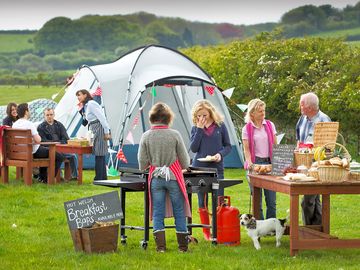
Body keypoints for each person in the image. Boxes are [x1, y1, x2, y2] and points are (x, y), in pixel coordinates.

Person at [138, 102, 191, 252]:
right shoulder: (175, 134)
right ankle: (182, 247)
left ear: (152, 118)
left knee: (158, 212)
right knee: (179, 211)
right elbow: (185, 161)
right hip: (173, 177)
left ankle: (160, 247)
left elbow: (142, 163)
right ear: (168, 118)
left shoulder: (146, 136)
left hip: (155, 178)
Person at [190, 99, 231, 240]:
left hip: (217, 168)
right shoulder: (195, 128)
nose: (202, 118)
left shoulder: (220, 126)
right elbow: (194, 148)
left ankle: (218, 230)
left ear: (211, 114)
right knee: (202, 201)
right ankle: (206, 232)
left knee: (219, 199)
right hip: (199, 169)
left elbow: (228, 146)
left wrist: (220, 155)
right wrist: (200, 129)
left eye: (204, 115)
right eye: (199, 116)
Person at [296, 92, 331, 225]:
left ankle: (308, 230)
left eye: (302, 104)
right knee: (314, 200)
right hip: (304, 166)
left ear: (309, 107)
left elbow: (329, 148)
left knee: (307, 201)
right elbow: (299, 140)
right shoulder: (302, 119)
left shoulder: (324, 120)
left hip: (318, 167)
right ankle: (318, 230)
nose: (300, 106)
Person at [242, 99, 277, 220]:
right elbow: (246, 149)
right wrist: (250, 163)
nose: (263, 113)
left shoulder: (270, 125)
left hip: (269, 162)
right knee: (257, 200)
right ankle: (260, 227)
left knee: (271, 200)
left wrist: (277, 162)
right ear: (252, 113)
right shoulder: (246, 128)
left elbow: (275, 145)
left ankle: (271, 226)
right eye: (260, 111)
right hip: (255, 163)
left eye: (264, 110)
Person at [12, 103, 64, 183]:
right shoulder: (29, 124)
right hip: (32, 151)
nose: (29, 112)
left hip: (20, 152)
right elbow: (38, 140)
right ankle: (48, 179)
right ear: (26, 112)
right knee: (59, 156)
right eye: (28, 110)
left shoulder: (14, 125)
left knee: (45, 152)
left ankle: (42, 178)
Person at [76, 89, 111, 181]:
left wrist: (107, 131)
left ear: (85, 95)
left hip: (99, 128)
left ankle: (99, 178)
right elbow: (86, 121)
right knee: (99, 154)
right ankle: (102, 177)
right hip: (94, 128)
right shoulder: (86, 106)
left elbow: (102, 117)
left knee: (99, 154)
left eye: (79, 95)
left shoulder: (92, 104)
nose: (78, 98)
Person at [37, 108, 78, 180]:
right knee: (59, 157)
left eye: (51, 114)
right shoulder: (41, 127)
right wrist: (54, 144)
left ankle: (74, 177)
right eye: (47, 115)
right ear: (44, 116)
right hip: (49, 150)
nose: (49, 116)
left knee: (73, 156)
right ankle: (55, 177)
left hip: (61, 148)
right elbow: (42, 141)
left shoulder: (59, 125)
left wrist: (59, 144)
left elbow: (66, 138)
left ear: (54, 115)